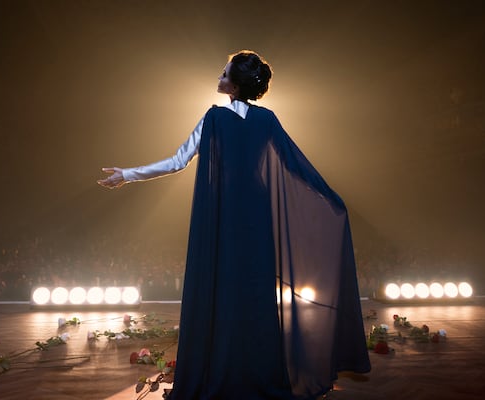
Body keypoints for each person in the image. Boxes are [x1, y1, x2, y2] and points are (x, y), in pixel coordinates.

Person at [99, 50, 370, 400]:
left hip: (223, 210)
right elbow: (296, 167)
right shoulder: (267, 119)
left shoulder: (214, 118)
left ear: (235, 83)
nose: (218, 76)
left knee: (222, 289)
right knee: (255, 293)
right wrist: (332, 199)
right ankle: (258, 371)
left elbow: (177, 162)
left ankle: (223, 370)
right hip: (255, 211)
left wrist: (128, 175)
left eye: (223, 73)